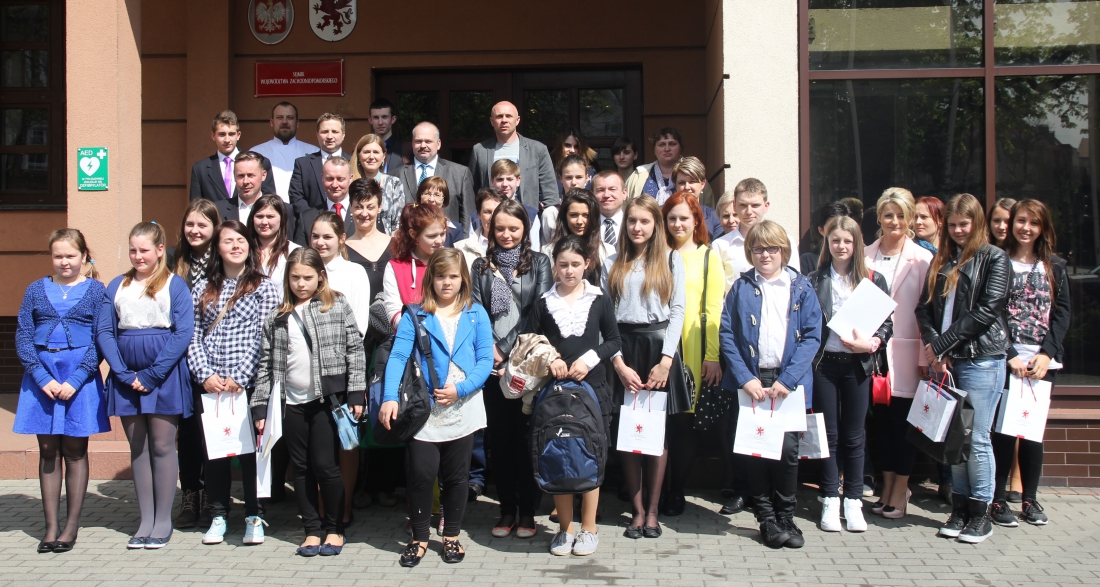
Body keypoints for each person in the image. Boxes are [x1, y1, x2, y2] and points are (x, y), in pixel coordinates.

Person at [380, 249, 494, 567]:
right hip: (425, 409)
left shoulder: (476, 313)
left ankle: (451, 536)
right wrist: (389, 397)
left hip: (464, 406)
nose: (447, 282)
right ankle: (418, 538)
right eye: (441, 276)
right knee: (422, 473)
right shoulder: (416, 314)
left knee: (456, 476)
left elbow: (485, 359)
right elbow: (398, 356)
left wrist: (462, 389)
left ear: (463, 279)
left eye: (453, 276)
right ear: (431, 279)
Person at [252, 247, 367, 557]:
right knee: (301, 468)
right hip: (291, 403)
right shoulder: (277, 317)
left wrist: (356, 392)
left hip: (325, 401)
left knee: (326, 466)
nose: (301, 284)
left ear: (320, 277)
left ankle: (335, 528)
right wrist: (260, 407)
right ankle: (312, 531)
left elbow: (355, 349)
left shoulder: (335, 305)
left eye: (307, 277)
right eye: (295, 278)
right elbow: (265, 367)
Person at [915, 193, 1012, 544]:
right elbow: (923, 309)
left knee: (978, 439)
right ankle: (960, 508)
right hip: (948, 361)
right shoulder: (942, 258)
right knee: (955, 437)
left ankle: (981, 512)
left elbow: (987, 310)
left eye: (964, 224)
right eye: (953, 225)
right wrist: (934, 347)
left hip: (981, 359)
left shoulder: (993, 257)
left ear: (977, 223)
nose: (958, 230)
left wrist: (942, 345)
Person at [719, 220, 822, 549]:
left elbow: (812, 336)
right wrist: (745, 378)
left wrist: (788, 379)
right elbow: (727, 335)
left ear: (784, 251)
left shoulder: (801, 287)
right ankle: (765, 517)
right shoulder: (741, 287)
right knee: (757, 449)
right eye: (758, 249)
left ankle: (786, 515)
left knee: (788, 452)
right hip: (754, 381)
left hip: (787, 382)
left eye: (772, 249)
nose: (765, 255)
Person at [96, 222, 195, 549]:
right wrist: (122, 372)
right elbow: (105, 331)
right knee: (138, 447)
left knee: (163, 446)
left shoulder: (174, 284)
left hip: (162, 376)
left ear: (159, 250)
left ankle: (163, 520)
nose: (138, 256)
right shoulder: (117, 285)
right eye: (133, 250)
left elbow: (183, 332)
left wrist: (153, 374)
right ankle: (146, 520)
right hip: (126, 377)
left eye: (144, 250)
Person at [524, 235, 622, 556]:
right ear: (554, 266)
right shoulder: (543, 302)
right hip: (555, 392)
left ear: (587, 265)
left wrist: (588, 360)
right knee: (558, 454)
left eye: (575, 264)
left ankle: (589, 527)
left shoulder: (598, 299)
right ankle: (564, 530)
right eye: (563, 264)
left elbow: (614, 340)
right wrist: (549, 358)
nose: (569, 271)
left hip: (593, 389)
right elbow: (530, 340)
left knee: (590, 454)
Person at [188, 220, 281, 546]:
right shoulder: (202, 288)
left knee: (252, 453)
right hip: (211, 385)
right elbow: (193, 336)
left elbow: (264, 336)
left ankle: (255, 515)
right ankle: (218, 514)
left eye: (241, 240)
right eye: (228, 241)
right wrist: (205, 374)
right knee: (215, 453)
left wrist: (239, 377)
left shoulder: (264, 287)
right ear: (217, 247)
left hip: (248, 384)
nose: (236, 246)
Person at [15, 229, 108, 553]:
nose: (64, 262)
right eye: (58, 256)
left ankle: (70, 527)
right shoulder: (34, 290)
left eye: (70, 256)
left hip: (78, 381)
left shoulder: (96, 291)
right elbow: (24, 336)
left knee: (75, 450)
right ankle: (51, 526)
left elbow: (101, 339)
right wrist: (42, 377)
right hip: (42, 380)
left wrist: (76, 379)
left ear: (84, 256)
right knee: (48, 450)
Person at [604, 196, 687, 540]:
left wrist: (666, 361)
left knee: (655, 433)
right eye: (632, 221)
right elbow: (605, 319)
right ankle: (636, 511)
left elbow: (678, 311)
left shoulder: (671, 258)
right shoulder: (612, 261)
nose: (637, 227)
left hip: (658, 350)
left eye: (644, 221)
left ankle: (653, 510)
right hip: (624, 350)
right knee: (628, 433)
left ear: (656, 225)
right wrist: (618, 363)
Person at [469, 199, 553, 540]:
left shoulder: (540, 263)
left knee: (527, 438)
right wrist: (490, 353)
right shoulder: (480, 266)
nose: (506, 234)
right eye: (500, 228)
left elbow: (538, 312)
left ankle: (528, 512)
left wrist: (504, 350)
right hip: (492, 368)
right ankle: (506, 510)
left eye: (513, 228)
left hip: (527, 365)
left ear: (525, 229)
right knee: (501, 440)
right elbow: (476, 310)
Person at [808, 216, 891, 533]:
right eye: (835, 240)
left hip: (858, 365)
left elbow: (887, 323)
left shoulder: (873, 279)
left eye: (847, 241)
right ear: (827, 243)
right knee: (828, 435)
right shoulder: (814, 279)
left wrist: (872, 343)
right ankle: (830, 497)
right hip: (824, 365)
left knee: (855, 435)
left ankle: (853, 500)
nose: (841, 246)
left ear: (857, 244)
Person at [990, 199, 1070, 528]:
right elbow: (991, 312)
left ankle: (1030, 498)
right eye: (1021, 221)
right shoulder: (998, 261)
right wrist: (1009, 353)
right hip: (1004, 360)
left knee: (1032, 434)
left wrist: (1047, 353)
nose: (1026, 228)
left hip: (1041, 364)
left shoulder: (1055, 266)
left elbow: (1062, 314)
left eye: (1034, 223)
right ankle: (997, 499)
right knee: (1003, 433)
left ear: (1042, 228)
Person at [864, 187, 933, 520]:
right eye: (888, 214)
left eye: (901, 215)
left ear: (910, 219)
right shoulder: (865, 254)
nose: (895, 221)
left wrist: (924, 358)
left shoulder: (922, 259)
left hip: (906, 354)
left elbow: (928, 313)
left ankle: (901, 489)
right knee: (880, 426)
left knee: (902, 426)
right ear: (879, 217)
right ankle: (888, 485)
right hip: (873, 354)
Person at [659, 192, 725, 517]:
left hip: (692, 349)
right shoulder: (657, 254)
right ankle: (655, 489)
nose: (677, 224)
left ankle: (676, 491)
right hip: (658, 348)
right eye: (672, 218)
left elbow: (713, 309)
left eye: (684, 218)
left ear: (696, 220)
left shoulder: (708, 257)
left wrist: (711, 356)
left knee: (684, 425)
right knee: (658, 421)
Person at [308, 211, 371, 524]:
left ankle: (342, 509)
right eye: (315, 236)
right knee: (319, 444)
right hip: (307, 371)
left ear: (341, 239)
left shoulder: (354, 272)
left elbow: (358, 326)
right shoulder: (303, 269)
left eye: (327, 237)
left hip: (344, 369)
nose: (321, 242)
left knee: (346, 440)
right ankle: (322, 508)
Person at [342, 179, 399, 509]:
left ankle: (385, 483)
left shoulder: (394, 244)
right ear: (350, 208)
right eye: (358, 206)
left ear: (380, 207)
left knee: (385, 400)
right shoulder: (343, 247)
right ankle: (361, 484)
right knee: (358, 405)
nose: (364, 212)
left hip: (389, 336)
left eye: (370, 206)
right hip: (357, 339)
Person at [167, 199, 221, 529]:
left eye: (202, 224)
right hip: (180, 361)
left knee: (212, 433)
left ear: (215, 227)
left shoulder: (222, 260)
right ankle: (190, 495)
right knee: (187, 433)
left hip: (214, 361)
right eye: (190, 224)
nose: (195, 230)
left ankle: (215, 497)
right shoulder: (173, 260)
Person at [913, 194, 953, 504]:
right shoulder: (920, 255)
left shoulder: (948, 256)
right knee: (934, 412)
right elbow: (922, 309)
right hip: (929, 346)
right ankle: (945, 479)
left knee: (951, 414)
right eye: (915, 216)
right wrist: (932, 347)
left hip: (955, 347)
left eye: (924, 217)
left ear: (940, 220)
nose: (917, 222)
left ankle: (951, 481)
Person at [469, 101, 559, 212]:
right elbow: (472, 191)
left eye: (509, 116)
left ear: (517, 120)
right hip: (491, 217)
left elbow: (550, 190)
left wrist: (545, 215)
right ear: (492, 121)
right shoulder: (480, 150)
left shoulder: (537, 150)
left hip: (527, 216)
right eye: (499, 116)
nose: (504, 120)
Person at [714, 179, 799, 292]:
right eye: (743, 205)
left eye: (755, 205)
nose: (749, 211)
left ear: (766, 206)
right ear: (734, 206)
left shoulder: (785, 240)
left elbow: (795, 283)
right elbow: (717, 291)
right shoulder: (720, 245)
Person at [397, 122, 476, 235]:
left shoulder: (460, 173)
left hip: (449, 242)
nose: (423, 145)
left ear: (438, 144)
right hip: (409, 241)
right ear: (412, 143)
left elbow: (468, 217)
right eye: (418, 141)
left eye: (428, 141)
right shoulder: (396, 175)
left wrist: (462, 243)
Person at [381, 203, 448, 328]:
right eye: (432, 236)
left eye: (442, 233)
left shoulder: (451, 261)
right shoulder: (395, 267)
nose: (439, 240)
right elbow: (393, 310)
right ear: (413, 235)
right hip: (411, 335)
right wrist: (420, 332)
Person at [190, 110, 276, 202]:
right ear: (213, 136)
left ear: (238, 135)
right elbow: (196, 206)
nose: (227, 140)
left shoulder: (261, 163)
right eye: (222, 134)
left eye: (231, 134)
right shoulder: (200, 169)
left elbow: (269, 201)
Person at [624, 128, 714, 208]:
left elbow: (709, 212)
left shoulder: (696, 176)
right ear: (654, 150)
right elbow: (625, 209)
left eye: (672, 144)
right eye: (662, 145)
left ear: (681, 148)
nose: (667, 149)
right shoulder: (638, 176)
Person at [250, 102, 316, 201]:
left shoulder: (313, 152)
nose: (284, 122)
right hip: (268, 209)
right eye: (279, 117)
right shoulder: (256, 153)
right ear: (272, 122)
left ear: (297, 123)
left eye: (290, 118)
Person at [543, 189, 612, 283]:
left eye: (586, 215)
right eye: (574, 215)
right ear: (565, 217)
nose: (579, 221)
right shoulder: (548, 251)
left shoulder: (607, 252)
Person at [289, 113, 351, 216]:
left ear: (343, 135)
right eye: (325, 132)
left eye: (335, 132)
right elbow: (296, 197)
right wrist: (313, 219)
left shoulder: (353, 163)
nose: (330, 136)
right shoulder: (303, 164)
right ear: (317, 134)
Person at [350, 133, 407, 235]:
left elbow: (399, 222)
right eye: (366, 152)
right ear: (359, 155)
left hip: (387, 241)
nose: (371, 157)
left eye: (376, 152)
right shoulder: (350, 182)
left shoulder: (394, 183)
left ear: (383, 156)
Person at [293, 156, 355, 244]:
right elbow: (300, 251)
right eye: (329, 179)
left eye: (340, 179)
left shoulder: (363, 214)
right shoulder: (307, 218)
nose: (334, 185)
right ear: (322, 178)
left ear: (350, 178)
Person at [248, 194, 301, 288]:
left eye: (270, 216)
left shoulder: (295, 251)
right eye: (259, 216)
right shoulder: (243, 250)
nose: (264, 222)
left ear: (282, 218)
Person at [490, 158, 543, 251]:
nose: (505, 184)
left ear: (518, 180)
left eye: (510, 179)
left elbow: (534, 250)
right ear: (492, 181)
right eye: (500, 179)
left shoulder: (530, 214)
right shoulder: (479, 215)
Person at [670, 156, 725, 239]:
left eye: (692, 182)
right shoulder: (663, 214)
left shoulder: (714, 217)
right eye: (682, 183)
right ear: (675, 185)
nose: (687, 187)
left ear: (703, 184)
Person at [212, 151, 271, 223]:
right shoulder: (218, 210)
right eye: (241, 176)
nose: (245, 181)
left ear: (263, 175)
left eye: (251, 175)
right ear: (234, 176)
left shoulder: (278, 209)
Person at [454, 188, 504, 270]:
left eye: (497, 212)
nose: (492, 217)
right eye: (487, 212)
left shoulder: (516, 249)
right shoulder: (460, 249)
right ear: (479, 215)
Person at [798, 201, 852, 275]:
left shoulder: (861, 257)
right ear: (821, 230)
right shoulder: (808, 261)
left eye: (844, 225)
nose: (839, 230)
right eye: (832, 227)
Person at [414, 176, 463, 246]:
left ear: (444, 200)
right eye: (427, 194)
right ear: (420, 197)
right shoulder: (410, 223)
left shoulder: (455, 229)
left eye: (437, 195)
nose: (431, 199)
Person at [368, 98, 409, 174]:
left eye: (384, 117)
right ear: (370, 120)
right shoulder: (363, 148)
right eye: (376, 117)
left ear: (393, 119)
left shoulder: (405, 148)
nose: (380, 122)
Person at [593, 170, 627, 250]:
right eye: (600, 190)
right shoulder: (586, 225)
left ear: (624, 193)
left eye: (612, 189)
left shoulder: (633, 224)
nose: (606, 195)